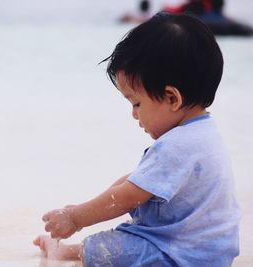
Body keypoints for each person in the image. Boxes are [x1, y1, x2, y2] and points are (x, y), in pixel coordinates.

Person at [34, 12, 240, 266]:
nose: (133, 114)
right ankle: (68, 252)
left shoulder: (176, 145)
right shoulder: (204, 133)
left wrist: (76, 217)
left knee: (114, 246)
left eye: (136, 103)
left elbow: (127, 197)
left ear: (172, 98)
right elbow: (134, 183)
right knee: (131, 233)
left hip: (178, 254)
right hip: (209, 253)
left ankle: (65, 254)